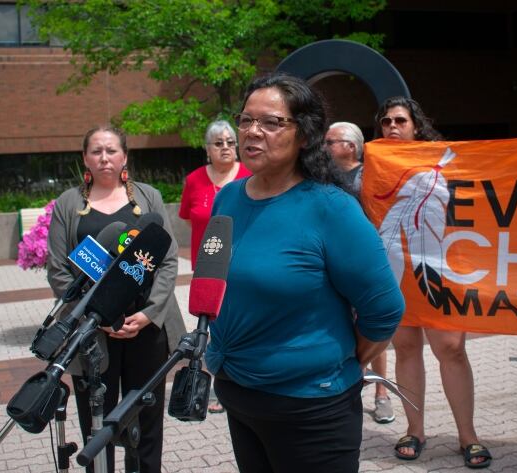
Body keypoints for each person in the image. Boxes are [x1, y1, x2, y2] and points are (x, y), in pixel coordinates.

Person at [205, 73, 405, 473]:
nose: (252, 132)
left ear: (305, 135)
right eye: (245, 120)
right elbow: (215, 279)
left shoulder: (330, 208)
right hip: (239, 396)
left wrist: (342, 363)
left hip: (312, 411)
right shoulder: (227, 198)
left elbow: (384, 310)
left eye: (271, 122)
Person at [47, 125, 186, 473]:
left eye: (111, 150)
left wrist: (149, 312)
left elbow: (168, 260)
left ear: (124, 156)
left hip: (147, 328)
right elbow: (58, 271)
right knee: (98, 422)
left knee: (146, 418)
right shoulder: (67, 204)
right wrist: (100, 315)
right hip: (93, 332)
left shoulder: (149, 198)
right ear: (85, 158)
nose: (104, 157)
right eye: (96, 151)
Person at [374, 96, 492, 469]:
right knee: (406, 348)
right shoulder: (374, 166)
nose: (392, 127)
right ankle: (415, 429)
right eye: (385, 122)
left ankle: (468, 436)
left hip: (438, 269)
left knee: (451, 348)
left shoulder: (447, 159)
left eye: (400, 121)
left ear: (415, 126)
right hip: (395, 272)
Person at [179, 120, 251, 414]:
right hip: (208, 266)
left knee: (243, 321)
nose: (225, 147)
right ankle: (218, 384)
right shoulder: (195, 179)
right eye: (218, 143)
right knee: (212, 326)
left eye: (230, 142)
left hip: (245, 264)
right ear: (207, 149)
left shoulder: (249, 175)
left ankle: (244, 379)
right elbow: (189, 218)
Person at [325, 121, 395, 424]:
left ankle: (382, 394)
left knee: (372, 323)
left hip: (367, 261)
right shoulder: (324, 176)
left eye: (331, 142)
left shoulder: (370, 175)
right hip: (335, 262)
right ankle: (352, 387)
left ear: (351, 147)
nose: (324, 146)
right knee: (342, 324)